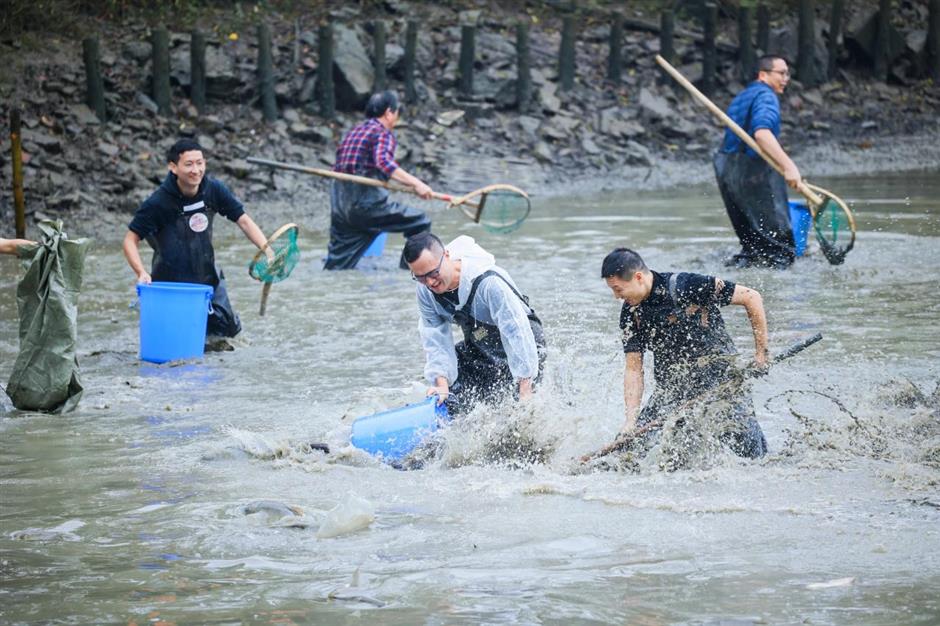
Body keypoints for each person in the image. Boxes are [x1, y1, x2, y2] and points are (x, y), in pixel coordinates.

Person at [594, 247, 769, 460]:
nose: (616, 297)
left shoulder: (687, 285)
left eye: (618, 290)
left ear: (638, 277)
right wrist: (630, 419)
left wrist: (761, 354)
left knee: (750, 452)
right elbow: (633, 368)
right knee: (631, 449)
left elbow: (751, 297)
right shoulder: (632, 314)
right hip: (673, 387)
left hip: (721, 381)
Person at [122, 138, 268, 338]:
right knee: (176, 342)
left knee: (227, 336)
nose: (196, 170)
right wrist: (141, 272)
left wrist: (266, 249)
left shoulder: (213, 190)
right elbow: (130, 240)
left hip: (207, 279)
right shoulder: (158, 202)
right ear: (173, 167)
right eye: (189, 164)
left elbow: (244, 221)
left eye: (200, 163)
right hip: (171, 285)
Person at [403, 232, 546, 415]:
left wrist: (525, 387)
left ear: (446, 256)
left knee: (518, 411)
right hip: (480, 342)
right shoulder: (425, 291)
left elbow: (516, 330)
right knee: (455, 399)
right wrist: (441, 384)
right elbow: (434, 336)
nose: (429, 282)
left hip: (525, 342)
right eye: (420, 277)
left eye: (433, 273)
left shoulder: (488, 282)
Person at [324, 90, 433, 270]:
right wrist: (417, 183)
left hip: (341, 209)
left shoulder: (355, 131)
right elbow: (383, 163)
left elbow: (358, 168)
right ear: (389, 112)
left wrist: (406, 184)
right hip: (366, 206)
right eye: (397, 112)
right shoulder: (382, 133)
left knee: (337, 265)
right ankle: (411, 274)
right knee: (420, 221)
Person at [714, 54, 801, 269]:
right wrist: (789, 167)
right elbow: (762, 134)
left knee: (753, 247)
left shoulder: (743, 96)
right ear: (763, 75)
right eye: (781, 73)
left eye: (787, 73)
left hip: (727, 170)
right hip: (753, 172)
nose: (786, 78)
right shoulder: (766, 96)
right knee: (779, 251)